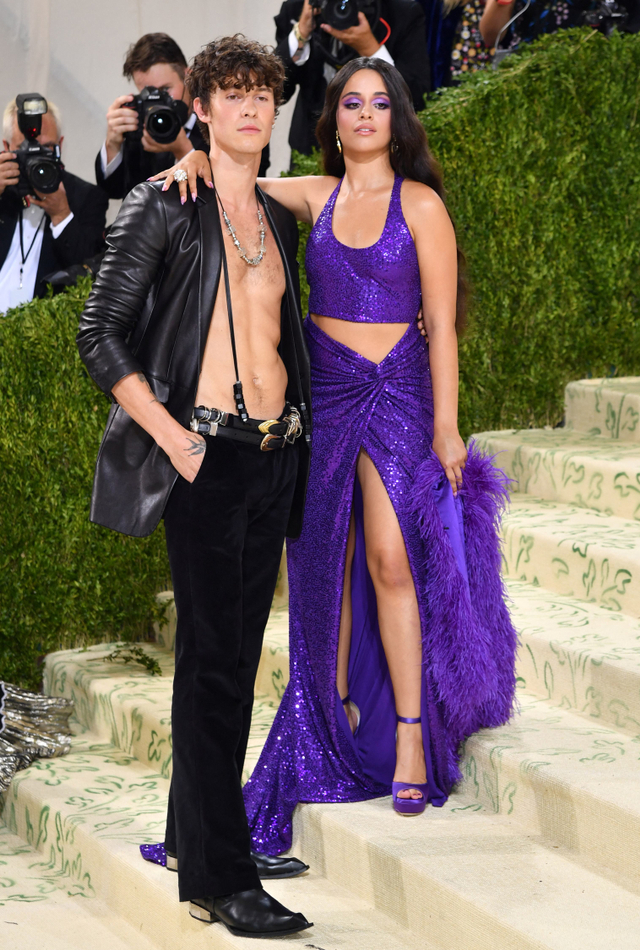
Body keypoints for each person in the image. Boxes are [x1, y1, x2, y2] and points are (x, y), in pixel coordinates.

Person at [157, 56, 518, 851]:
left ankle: (412, 737)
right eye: (351, 103)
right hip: (325, 391)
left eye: (378, 104)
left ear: (397, 120)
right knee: (323, 560)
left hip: (399, 393)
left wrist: (448, 425)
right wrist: (192, 159)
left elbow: (441, 326)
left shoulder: (420, 205)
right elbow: (238, 179)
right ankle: (333, 718)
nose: (363, 115)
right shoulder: (314, 195)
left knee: (390, 558)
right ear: (333, 120)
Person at [77, 35, 313, 938]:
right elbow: (99, 335)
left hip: (274, 457)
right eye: (232, 94)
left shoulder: (279, 214)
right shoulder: (163, 204)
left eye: (263, 95)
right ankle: (223, 877)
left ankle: (195, 836)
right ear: (202, 109)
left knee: (231, 664)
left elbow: (353, 186)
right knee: (216, 671)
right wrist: (173, 435)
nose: (250, 107)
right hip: (204, 458)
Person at [94, 32, 265, 200]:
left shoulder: (226, 120)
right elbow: (112, 191)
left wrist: (184, 151)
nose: (157, 99)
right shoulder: (141, 122)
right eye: (148, 92)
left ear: (187, 77)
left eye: (165, 89)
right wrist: (112, 144)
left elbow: (239, 194)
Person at [275, 0, 430, 156]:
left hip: (379, 150)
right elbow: (277, 92)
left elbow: (417, 97)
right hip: (310, 147)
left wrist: (370, 49)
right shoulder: (300, 9)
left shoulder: (401, 13)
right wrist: (301, 34)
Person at [0, 98, 107, 314]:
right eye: (25, 148)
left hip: (43, 327)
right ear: (6, 147)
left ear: (60, 145)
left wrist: (61, 214)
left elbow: (90, 277)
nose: (36, 157)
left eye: (46, 147)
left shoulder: (86, 197)